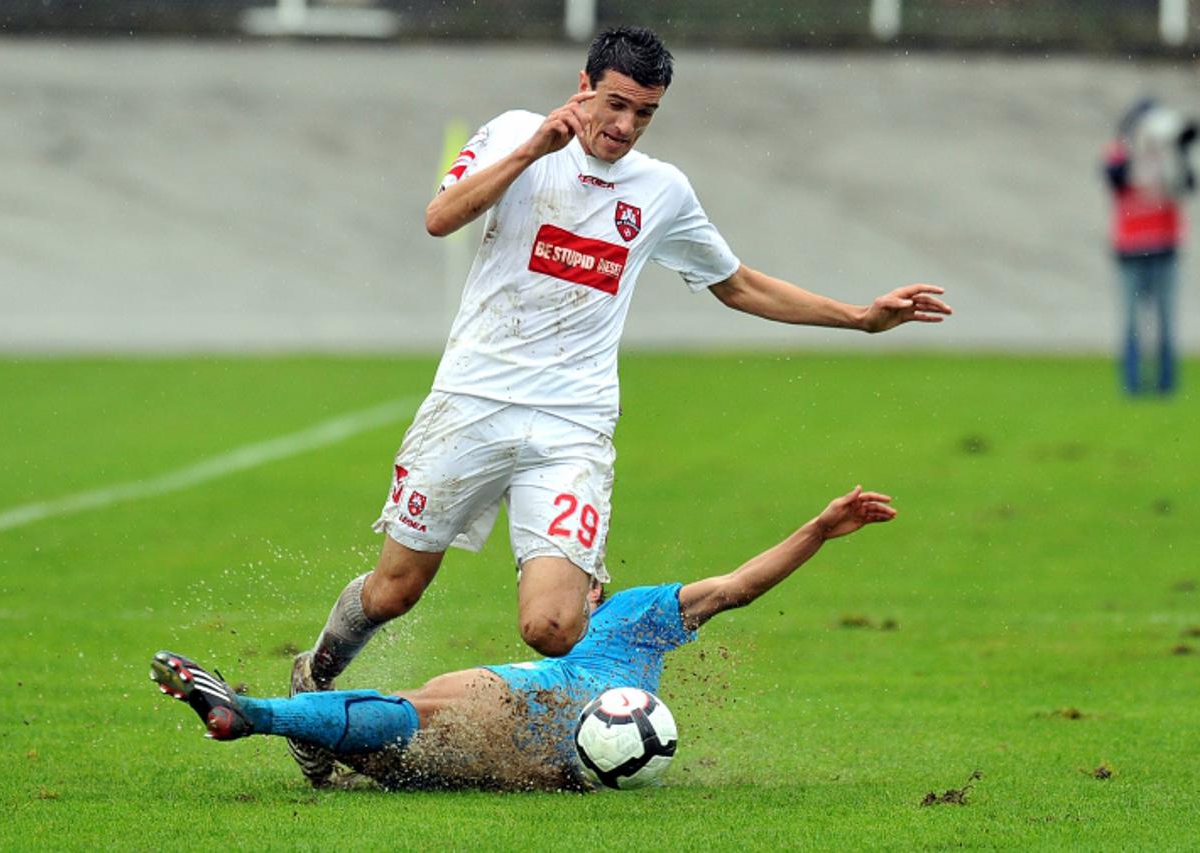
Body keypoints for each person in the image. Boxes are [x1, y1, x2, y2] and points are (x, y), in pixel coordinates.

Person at [291, 25, 949, 785]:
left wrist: (860, 317)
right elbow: (441, 218)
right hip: (470, 402)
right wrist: (532, 150)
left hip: (572, 424)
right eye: (614, 105)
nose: (625, 125)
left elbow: (736, 283)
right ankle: (318, 674)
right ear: (583, 85)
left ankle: (499, 733)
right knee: (395, 590)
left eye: (645, 112)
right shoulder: (513, 133)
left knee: (553, 626)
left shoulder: (661, 191)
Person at [152, 485, 897, 791]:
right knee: (393, 760)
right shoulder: (626, 621)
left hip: (532, 703)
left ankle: (253, 716)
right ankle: (310, 739)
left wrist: (819, 529)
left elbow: (737, 585)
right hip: (535, 769)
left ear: (592, 582)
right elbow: (734, 588)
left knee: (421, 704)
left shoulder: (636, 609)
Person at [1103, 97, 1196, 395]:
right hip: (1129, 249)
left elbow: (1189, 185)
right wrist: (1135, 148)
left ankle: (1166, 386)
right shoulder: (1121, 152)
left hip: (1165, 247)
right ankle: (1132, 385)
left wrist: (1175, 150)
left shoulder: (1170, 156)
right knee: (1131, 321)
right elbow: (1113, 178)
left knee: (1166, 322)